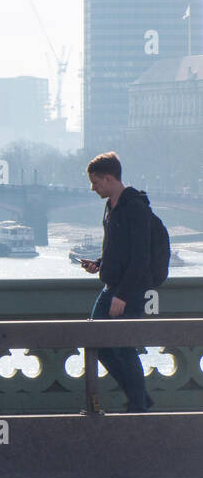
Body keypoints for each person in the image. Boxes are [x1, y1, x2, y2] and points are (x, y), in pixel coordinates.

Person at [80, 152, 154, 412]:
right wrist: (100, 264)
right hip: (110, 287)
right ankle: (139, 398)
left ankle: (138, 404)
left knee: (123, 347)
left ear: (109, 178)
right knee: (97, 342)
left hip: (127, 291)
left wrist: (122, 295)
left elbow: (140, 257)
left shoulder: (135, 207)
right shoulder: (111, 206)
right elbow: (119, 249)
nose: (93, 188)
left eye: (96, 182)